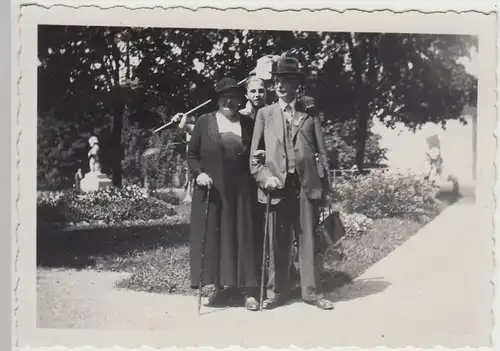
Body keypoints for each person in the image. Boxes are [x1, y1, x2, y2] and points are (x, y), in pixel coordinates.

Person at [249, 57, 335, 310]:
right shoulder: (265, 114)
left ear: (297, 85)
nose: (280, 85)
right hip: (276, 189)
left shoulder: (309, 113)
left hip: (306, 186)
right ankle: (276, 292)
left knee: (307, 240)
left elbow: (322, 152)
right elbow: (255, 160)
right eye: (277, 80)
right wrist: (267, 178)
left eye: (286, 80)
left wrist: (326, 189)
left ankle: (312, 293)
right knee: (277, 241)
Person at [187, 77, 261, 311]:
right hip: (213, 190)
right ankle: (219, 288)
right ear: (218, 100)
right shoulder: (204, 122)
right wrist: (198, 173)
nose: (230, 101)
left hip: (242, 191)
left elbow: (258, 152)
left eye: (235, 97)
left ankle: (246, 291)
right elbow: (192, 154)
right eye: (225, 97)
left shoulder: (248, 123)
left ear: (241, 100)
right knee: (215, 239)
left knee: (243, 237)